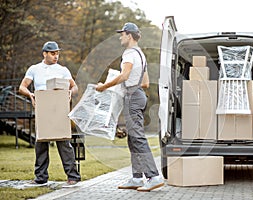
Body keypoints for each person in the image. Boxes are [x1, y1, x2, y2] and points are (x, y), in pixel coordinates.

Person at [95, 22, 164, 192]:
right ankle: (136, 177)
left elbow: (124, 75)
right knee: (132, 138)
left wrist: (104, 86)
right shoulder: (141, 55)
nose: (120, 37)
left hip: (133, 97)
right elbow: (146, 83)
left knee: (138, 137)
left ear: (129, 35)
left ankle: (153, 176)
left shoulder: (129, 53)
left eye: (122, 34)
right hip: (138, 94)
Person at [19, 41, 81, 187]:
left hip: (60, 111)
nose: (56, 56)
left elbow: (75, 87)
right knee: (40, 143)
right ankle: (40, 177)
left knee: (64, 143)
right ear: (44, 54)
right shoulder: (34, 69)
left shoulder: (63, 70)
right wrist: (30, 95)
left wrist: (70, 93)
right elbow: (22, 87)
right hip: (42, 111)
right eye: (53, 53)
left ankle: (73, 176)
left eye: (57, 53)